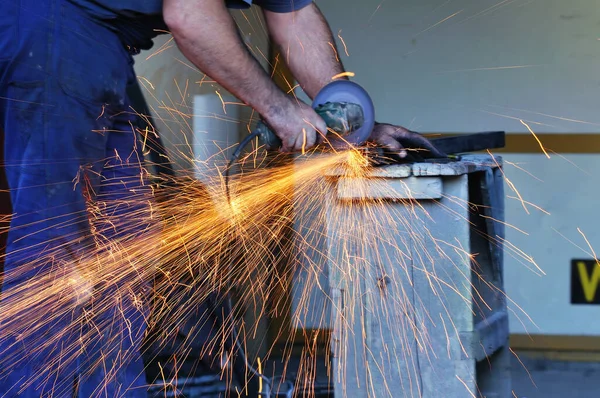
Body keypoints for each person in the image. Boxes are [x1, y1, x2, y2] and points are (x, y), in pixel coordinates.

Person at [0, 0, 444, 396]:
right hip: (51, 31)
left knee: (128, 240)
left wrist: (355, 126)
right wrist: (278, 107)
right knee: (58, 250)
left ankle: (113, 387)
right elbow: (190, 14)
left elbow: (293, 15)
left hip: (101, 48)